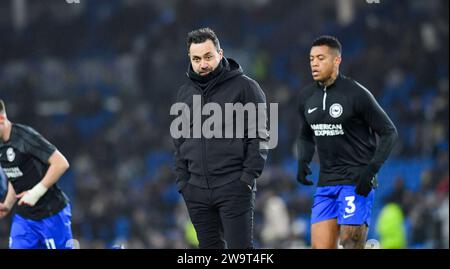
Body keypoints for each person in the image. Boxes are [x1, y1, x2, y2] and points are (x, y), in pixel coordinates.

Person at [296, 36, 398, 249]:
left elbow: (389, 132)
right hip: (326, 185)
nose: (314, 63)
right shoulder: (306, 97)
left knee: (350, 243)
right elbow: (306, 134)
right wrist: (303, 161)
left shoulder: (356, 94)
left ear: (336, 61)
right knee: (320, 247)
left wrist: (370, 171)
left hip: (355, 181)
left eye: (321, 58)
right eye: (311, 58)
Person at [172, 28, 268, 249]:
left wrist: (246, 178)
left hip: (234, 186)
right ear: (190, 59)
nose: (203, 64)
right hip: (196, 191)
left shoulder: (246, 87)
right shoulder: (184, 93)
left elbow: (262, 136)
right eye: (196, 59)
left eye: (208, 57)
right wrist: (184, 184)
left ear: (220, 53)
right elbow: (179, 144)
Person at [0, 99, 73, 249]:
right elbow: (16, 174)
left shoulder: (25, 136)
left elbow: (61, 163)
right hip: (25, 219)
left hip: (52, 214)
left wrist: (35, 193)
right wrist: (7, 204)